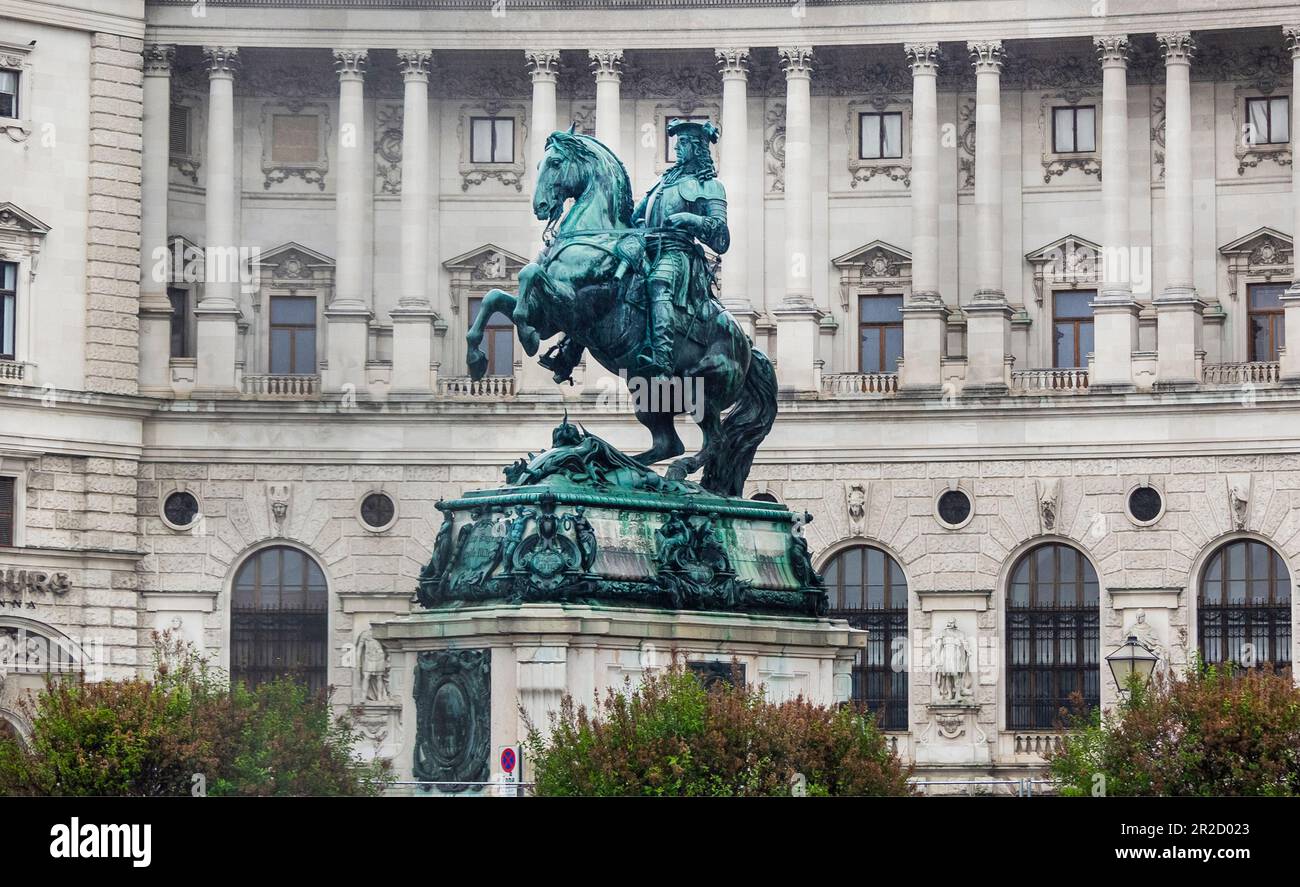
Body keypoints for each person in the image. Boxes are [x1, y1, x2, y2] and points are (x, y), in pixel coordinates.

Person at [630, 118, 730, 377]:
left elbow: (721, 236)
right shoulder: (661, 184)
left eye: (683, 143)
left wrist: (691, 219)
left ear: (698, 148)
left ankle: (662, 360)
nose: (676, 149)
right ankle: (570, 351)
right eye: (677, 143)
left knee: (658, 283)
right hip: (647, 249)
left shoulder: (709, 186)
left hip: (678, 254)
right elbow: (634, 218)